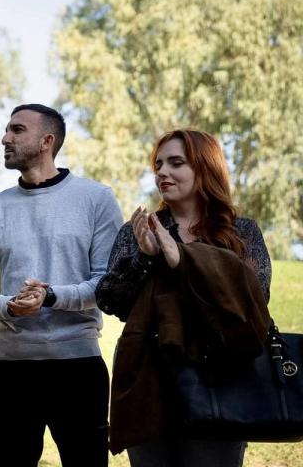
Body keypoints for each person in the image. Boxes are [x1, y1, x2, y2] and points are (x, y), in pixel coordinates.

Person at [96, 128, 272, 466]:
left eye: (176, 162)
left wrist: (183, 258)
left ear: (205, 168)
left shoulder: (241, 232)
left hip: (221, 379)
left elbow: (254, 297)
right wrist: (146, 257)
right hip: (149, 380)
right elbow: (110, 300)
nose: (162, 172)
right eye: (159, 164)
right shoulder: (139, 230)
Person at [0, 104, 122, 466]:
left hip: (78, 367)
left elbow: (106, 285)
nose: (5, 137)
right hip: (8, 371)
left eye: (17, 130)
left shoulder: (96, 199)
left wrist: (50, 297)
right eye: (7, 129)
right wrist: (8, 306)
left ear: (47, 141)